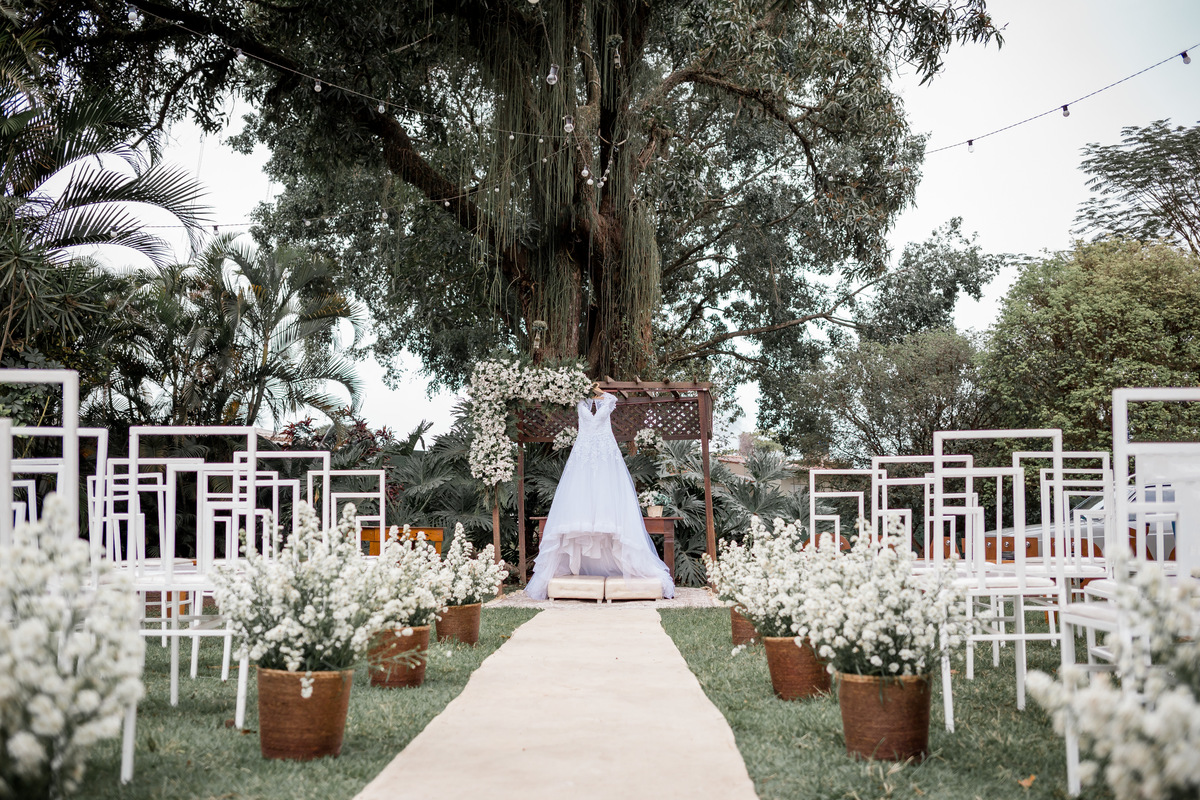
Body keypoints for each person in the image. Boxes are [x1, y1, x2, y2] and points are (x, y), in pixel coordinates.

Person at [525, 384, 675, 600]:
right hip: (583, 460)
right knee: (581, 505)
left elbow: (608, 401)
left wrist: (598, 392)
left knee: (607, 507)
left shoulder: (610, 401)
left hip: (605, 459)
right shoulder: (580, 402)